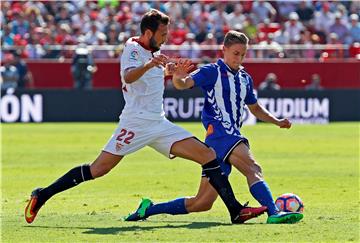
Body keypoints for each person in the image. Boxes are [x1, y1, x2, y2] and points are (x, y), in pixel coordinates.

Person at [25, 10, 267, 225]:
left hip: (159, 123)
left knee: (209, 156)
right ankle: (42, 194)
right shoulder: (132, 48)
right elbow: (129, 77)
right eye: (163, 33)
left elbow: (150, 81)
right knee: (98, 169)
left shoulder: (155, 51)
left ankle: (236, 211)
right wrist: (151, 65)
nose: (166, 37)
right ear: (148, 32)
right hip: (136, 122)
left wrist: (172, 72)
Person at [125, 31, 303, 224]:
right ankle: (274, 212)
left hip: (220, 141)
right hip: (221, 133)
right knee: (253, 168)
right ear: (224, 50)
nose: (239, 58)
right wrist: (177, 75)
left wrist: (276, 121)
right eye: (235, 53)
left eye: (243, 54)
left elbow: (255, 108)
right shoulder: (212, 71)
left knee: (201, 203)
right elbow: (183, 84)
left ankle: (149, 209)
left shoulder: (245, 78)